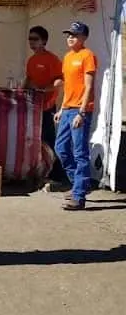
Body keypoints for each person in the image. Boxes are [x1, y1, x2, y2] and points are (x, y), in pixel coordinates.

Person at [54, 21, 97, 211]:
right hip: (68, 108)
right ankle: (80, 183)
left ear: (83, 37)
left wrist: (82, 111)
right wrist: (62, 108)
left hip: (81, 110)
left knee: (80, 153)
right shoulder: (68, 57)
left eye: (74, 34)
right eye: (69, 34)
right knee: (60, 148)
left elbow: (88, 86)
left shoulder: (87, 56)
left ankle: (79, 196)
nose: (70, 37)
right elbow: (69, 86)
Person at [23, 26, 65, 186]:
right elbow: (28, 79)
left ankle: (56, 174)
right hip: (33, 106)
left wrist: (44, 89)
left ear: (44, 41)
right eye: (30, 39)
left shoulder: (52, 59)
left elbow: (60, 81)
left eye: (35, 39)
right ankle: (37, 171)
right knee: (34, 139)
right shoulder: (31, 60)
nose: (31, 42)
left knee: (49, 140)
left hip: (47, 106)